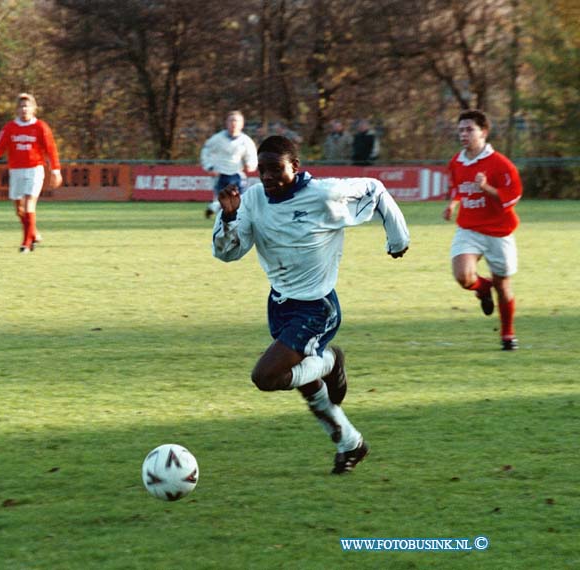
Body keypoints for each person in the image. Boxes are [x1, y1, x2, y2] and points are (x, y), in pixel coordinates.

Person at [212, 135, 410, 474]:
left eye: (277, 169)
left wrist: (398, 239)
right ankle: (350, 444)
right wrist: (228, 219)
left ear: (296, 167)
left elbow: (375, 190)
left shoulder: (324, 194)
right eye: (263, 170)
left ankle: (330, 362)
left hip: (318, 308)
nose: (269, 177)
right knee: (306, 385)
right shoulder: (254, 200)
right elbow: (227, 253)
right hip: (280, 305)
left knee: (265, 376)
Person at [443, 109, 523, 350]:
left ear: (484, 132)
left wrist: (486, 187)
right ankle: (483, 288)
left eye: (469, 129)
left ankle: (507, 335)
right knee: (463, 276)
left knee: (504, 285)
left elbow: (512, 197)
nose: (463, 134)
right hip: (469, 228)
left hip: (499, 231)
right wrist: (453, 204)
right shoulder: (457, 161)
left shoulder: (500, 164)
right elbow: (459, 187)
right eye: (460, 130)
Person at [0, 93, 62, 253]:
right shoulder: (10, 127)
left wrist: (55, 170)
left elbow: (51, 149)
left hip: (34, 169)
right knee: (19, 209)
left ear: (33, 109)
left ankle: (26, 243)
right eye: (21, 106)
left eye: (27, 106)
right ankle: (33, 233)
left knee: (29, 203)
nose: (24, 109)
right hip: (15, 170)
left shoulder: (40, 127)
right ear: (16, 109)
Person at [200, 110, 258, 219]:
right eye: (231, 120)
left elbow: (251, 155)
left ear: (242, 124)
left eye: (236, 121)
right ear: (226, 123)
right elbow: (206, 152)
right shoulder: (217, 139)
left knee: (240, 199)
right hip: (220, 174)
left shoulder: (246, 141)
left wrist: (251, 165)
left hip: (237, 174)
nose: (233, 123)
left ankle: (214, 208)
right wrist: (209, 166)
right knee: (222, 199)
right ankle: (219, 216)